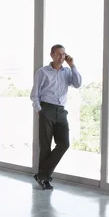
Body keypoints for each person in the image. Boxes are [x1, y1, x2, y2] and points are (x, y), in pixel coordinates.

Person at [30, 44, 82, 190]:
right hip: (46, 108)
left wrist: (72, 66)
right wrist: (40, 110)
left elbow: (78, 84)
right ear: (52, 55)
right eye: (59, 54)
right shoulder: (42, 72)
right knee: (45, 146)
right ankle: (44, 179)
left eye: (64, 54)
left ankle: (42, 174)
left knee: (64, 143)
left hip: (61, 111)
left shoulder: (67, 72)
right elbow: (34, 94)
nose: (62, 57)